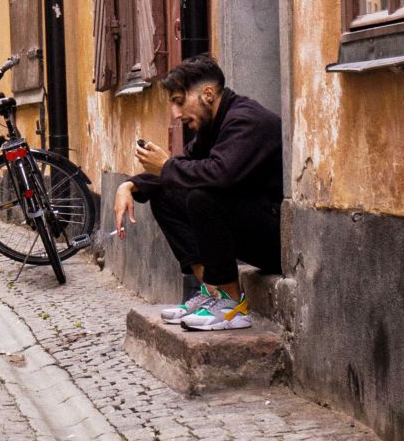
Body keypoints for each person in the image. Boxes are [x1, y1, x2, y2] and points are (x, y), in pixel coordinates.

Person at [112, 54, 282, 331]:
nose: (176, 114)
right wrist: (130, 185)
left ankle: (232, 305)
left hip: (277, 241)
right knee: (165, 195)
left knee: (204, 196)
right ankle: (212, 292)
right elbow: (186, 165)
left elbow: (220, 175)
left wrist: (166, 166)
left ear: (208, 94)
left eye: (179, 102)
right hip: (253, 227)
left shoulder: (247, 121)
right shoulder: (214, 124)